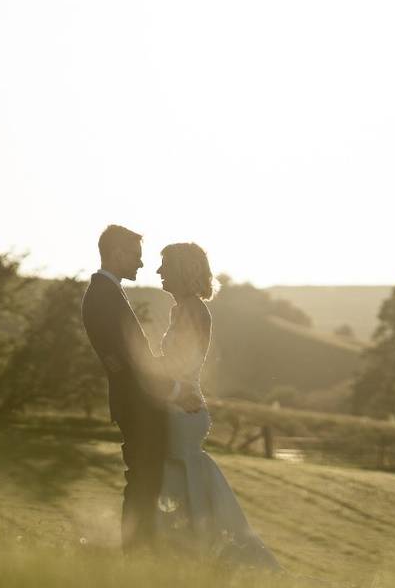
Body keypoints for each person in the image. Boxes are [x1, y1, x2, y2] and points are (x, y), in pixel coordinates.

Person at [153, 242, 281, 570]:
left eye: (165, 265)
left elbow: (181, 363)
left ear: (182, 270)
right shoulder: (180, 308)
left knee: (180, 479)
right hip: (177, 402)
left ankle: (204, 553)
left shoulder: (193, 309)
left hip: (184, 406)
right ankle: (183, 553)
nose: (158, 272)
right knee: (179, 479)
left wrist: (146, 368)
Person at [81, 224, 203, 554]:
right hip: (137, 406)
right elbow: (130, 363)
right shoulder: (103, 297)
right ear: (118, 254)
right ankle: (137, 555)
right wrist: (176, 390)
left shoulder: (108, 293)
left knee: (146, 481)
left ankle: (145, 553)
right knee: (143, 482)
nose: (141, 264)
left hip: (139, 403)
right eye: (136, 256)